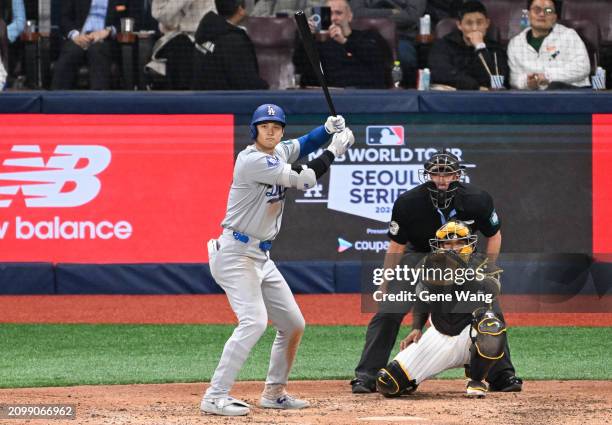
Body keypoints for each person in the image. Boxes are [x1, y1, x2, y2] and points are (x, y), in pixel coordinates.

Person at [201, 104, 354, 416]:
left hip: (260, 255)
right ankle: (214, 396)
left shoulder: (278, 152)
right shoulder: (252, 161)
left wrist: (326, 130)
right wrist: (335, 149)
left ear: (282, 130)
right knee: (254, 321)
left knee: (292, 323)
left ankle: (274, 393)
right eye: (264, 126)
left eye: (276, 126)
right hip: (235, 254)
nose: (270, 131)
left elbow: (304, 145)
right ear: (254, 130)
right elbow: (306, 179)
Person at [351, 152, 522, 394]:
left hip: (462, 258)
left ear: (457, 174)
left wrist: (489, 269)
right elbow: (397, 245)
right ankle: (366, 376)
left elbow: (494, 235)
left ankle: (502, 375)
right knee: (389, 310)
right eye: (436, 173)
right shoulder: (408, 202)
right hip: (418, 256)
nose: (442, 180)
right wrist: (386, 281)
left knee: (489, 306)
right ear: (428, 175)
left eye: (447, 173)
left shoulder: (477, 199)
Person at [376, 220, 508, 398]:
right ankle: (410, 382)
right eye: (447, 243)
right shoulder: (429, 265)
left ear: (469, 243)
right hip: (440, 334)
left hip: (470, 336)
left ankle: (477, 380)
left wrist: (462, 271)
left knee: (491, 325)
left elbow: (491, 290)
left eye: (459, 242)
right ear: (439, 246)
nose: (453, 248)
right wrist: (416, 327)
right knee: (387, 383)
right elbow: (423, 300)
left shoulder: (483, 264)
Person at [293, 0, 391, 89]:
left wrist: (345, 41)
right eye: (329, 14)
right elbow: (300, 66)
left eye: (338, 13)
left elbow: (379, 61)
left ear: (350, 16)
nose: (333, 18)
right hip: (330, 97)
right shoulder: (318, 42)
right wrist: (309, 38)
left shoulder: (368, 36)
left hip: (363, 94)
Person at [507, 0, 590, 90]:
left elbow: (582, 68)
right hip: (533, 97)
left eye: (548, 11)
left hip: (571, 94)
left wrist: (548, 76)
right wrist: (527, 83)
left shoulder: (569, 35)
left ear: (555, 17)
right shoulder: (515, 44)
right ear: (528, 14)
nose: (542, 14)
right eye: (537, 10)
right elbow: (514, 79)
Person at [428, 1, 509, 90]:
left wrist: (480, 47)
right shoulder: (444, 45)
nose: (475, 28)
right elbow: (440, 73)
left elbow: (497, 80)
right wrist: (474, 86)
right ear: (459, 25)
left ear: (487, 23)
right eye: (469, 23)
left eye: (479, 23)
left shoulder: (496, 49)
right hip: (454, 97)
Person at [191, 0, 268, 90]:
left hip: (204, 99)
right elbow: (247, 83)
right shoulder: (233, 42)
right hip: (228, 101)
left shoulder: (207, 31)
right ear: (240, 9)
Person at [350, 0, 426, 87]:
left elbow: (412, 15)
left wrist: (376, 16)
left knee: (405, 58)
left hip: (402, 36)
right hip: (365, 36)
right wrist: (391, 12)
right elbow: (356, 12)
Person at [51, 0, 121, 90]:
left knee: (97, 51)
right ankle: (57, 99)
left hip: (105, 40)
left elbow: (129, 20)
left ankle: (98, 101)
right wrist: (75, 35)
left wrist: (108, 31)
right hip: (79, 37)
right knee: (71, 52)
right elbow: (64, 18)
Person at [150, 0, 215, 89]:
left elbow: (213, 19)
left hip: (205, 39)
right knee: (181, 45)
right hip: (174, 39)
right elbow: (160, 15)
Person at [250, 0, 323, 17]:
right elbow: (253, 18)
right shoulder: (262, 3)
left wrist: (289, 14)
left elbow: (317, 9)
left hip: (293, 42)